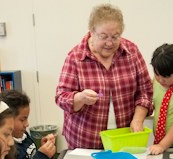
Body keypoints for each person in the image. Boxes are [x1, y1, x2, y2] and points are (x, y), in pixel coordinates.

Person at [55, 3, 153, 149]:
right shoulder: (76, 57)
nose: (109, 43)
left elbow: (146, 91)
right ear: (92, 32)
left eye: (115, 36)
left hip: (124, 138)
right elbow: (61, 97)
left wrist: (138, 120)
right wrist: (80, 98)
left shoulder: (131, 52)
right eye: (103, 36)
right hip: (86, 141)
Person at [0, 90, 55, 159]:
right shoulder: (7, 150)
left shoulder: (23, 135)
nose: (27, 124)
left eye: (27, 118)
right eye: (22, 120)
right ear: (8, 120)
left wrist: (47, 153)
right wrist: (42, 156)